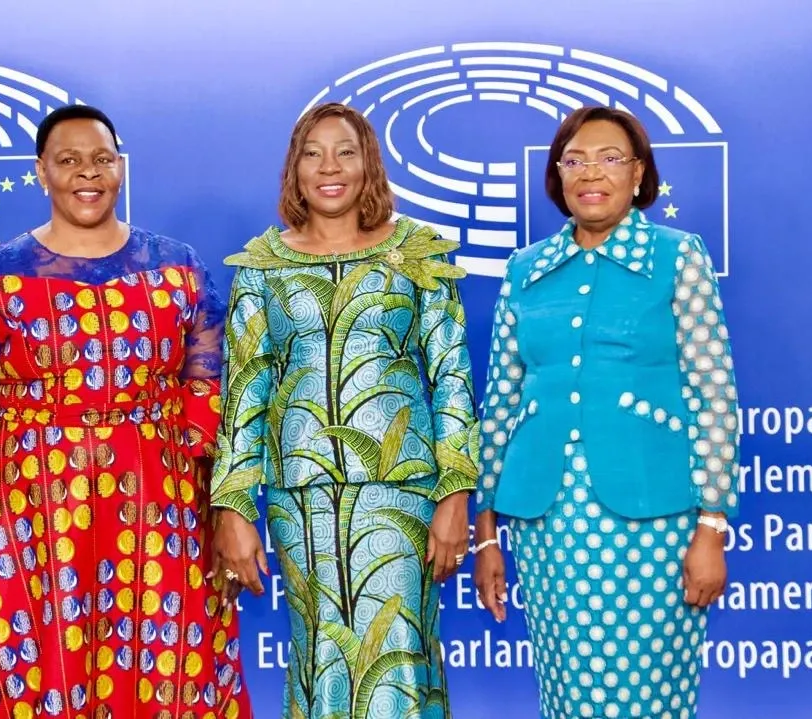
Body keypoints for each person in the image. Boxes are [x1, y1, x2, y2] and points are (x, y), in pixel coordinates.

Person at [0, 104, 252, 719]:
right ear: (42, 172)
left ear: (119, 169)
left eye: (99, 159)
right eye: (67, 161)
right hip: (28, 520)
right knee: (29, 673)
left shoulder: (180, 270)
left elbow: (211, 404)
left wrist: (226, 516)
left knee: (166, 668)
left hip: (160, 512)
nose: (85, 174)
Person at [210, 102, 477, 719]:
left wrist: (455, 494)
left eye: (346, 152)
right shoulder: (263, 265)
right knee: (319, 658)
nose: (330, 167)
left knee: (400, 658)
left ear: (369, 165)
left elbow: (452, 378)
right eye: (313, 153)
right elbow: (244, 391)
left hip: (402, 493)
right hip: (300, 502)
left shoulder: (417, 253)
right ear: (295, 170)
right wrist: (231, 505)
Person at [472, 106, 739, 719]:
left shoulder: (678, 258)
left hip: (656, 520)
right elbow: (502, 402)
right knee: (570, 692)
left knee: (650, 693)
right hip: (548, 524)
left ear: (639, 173)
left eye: (611, 158)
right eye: (575, 159)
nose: (592, 172)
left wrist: (712, 527)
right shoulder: (526, 270)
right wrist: (485, 533)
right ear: (558, 176)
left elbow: (713, 393)